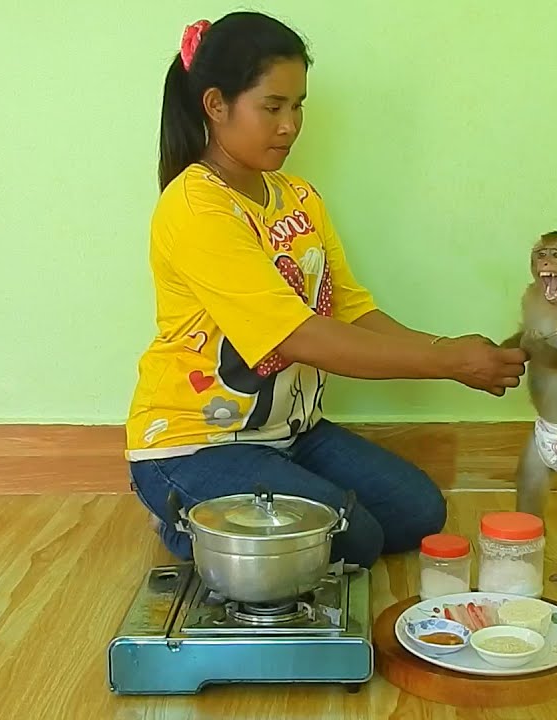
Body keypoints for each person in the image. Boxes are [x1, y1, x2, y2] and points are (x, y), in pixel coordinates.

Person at [125, 11, 528, 570]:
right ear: (216, 106)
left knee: (417, 511)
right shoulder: (196, 206)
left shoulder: (299, 197)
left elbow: (350, 309)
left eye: (298, 107)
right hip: (197, 444)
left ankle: (270, 495)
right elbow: (298, 336)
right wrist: (446, 363)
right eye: (273, 107)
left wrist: (448, 346)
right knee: (353, 539)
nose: (290, 125)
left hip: (292, 433)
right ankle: (177, 512)